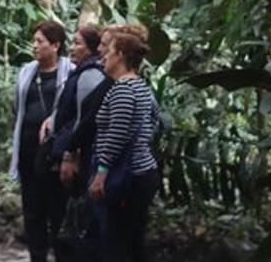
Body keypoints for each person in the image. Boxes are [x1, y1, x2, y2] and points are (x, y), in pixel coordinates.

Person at [89, 29, 160, 262]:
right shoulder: (142, 88)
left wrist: (101, 172)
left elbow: (116, 135)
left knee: (115, 242)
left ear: (119, 55)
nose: (103, 57)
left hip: (126, 177)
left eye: (108, 51)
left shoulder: (122, 89)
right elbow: (154, 121)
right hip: (143, 171)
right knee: (132, 242)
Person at [11, 20, 74, 262]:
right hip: (28, 152)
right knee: (33, 210)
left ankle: (61, 256)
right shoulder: (27, 71)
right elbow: (17, 107)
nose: (34, 46)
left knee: (58, 209)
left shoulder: (70, 72)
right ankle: (37, 257)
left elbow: (74, 110)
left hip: (55, 155)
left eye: (40, 41)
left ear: (56, 45)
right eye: (34, 41)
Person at [46, 25, 109, 260]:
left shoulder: (90, 75)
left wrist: (70, 155)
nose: (71, 48)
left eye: (77, 43)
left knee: (72, 222)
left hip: (80, 159)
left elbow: (85, 120)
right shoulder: (82, 71)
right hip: (77, 155)